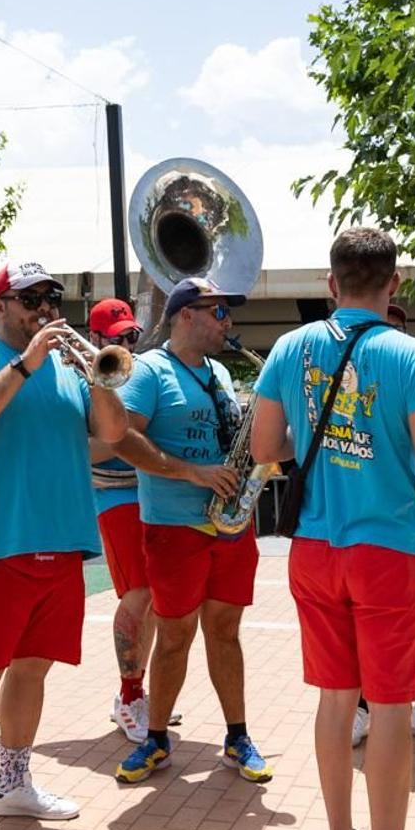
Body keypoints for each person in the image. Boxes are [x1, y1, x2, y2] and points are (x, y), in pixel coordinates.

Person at [250, 227, 415, 830]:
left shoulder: (290, 347)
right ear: (393, 284)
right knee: (393, 704)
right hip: (387, 550)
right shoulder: (414, 357)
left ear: (331, 283)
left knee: (336, 700)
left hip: (313, 548)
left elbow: (264, 449)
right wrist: (400, 489)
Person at [0, 261, 129, 830]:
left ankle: (12, 781)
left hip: (61, 540)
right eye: (29, 299)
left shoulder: (73, 368)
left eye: (50, 297)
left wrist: (96, 372)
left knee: (32, 668)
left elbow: (114, 433)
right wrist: (26, 364)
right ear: (0, 307)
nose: (43, 307)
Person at [111, 276, 272, 785]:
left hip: (230, 523)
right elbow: (121, 439)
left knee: (226, 633)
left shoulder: (221, 372)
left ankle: (237, 736)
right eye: (218, 312)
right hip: (176, 526)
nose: (228, 322)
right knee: (176, 636)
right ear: (185, 314)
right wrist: (190, 471)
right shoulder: (150, 370)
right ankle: (156, 738)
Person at [349, 304, 415, 747]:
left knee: (410, 625)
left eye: (394, 328)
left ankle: (402, 703)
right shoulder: (350, 375)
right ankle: (360, 708)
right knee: (355, 624)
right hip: (361, 522)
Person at [85, 297, 165, 743]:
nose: (127, 345)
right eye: (117, 339)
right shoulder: (82, 380)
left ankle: (137, 692)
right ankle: (128, 695)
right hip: (114, 495)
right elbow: (88, 448)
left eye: (131, 336)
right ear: (95, 338)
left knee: (151, 598)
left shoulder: (143, 374)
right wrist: (125, 437)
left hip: (149, 492)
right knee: (139, 593)